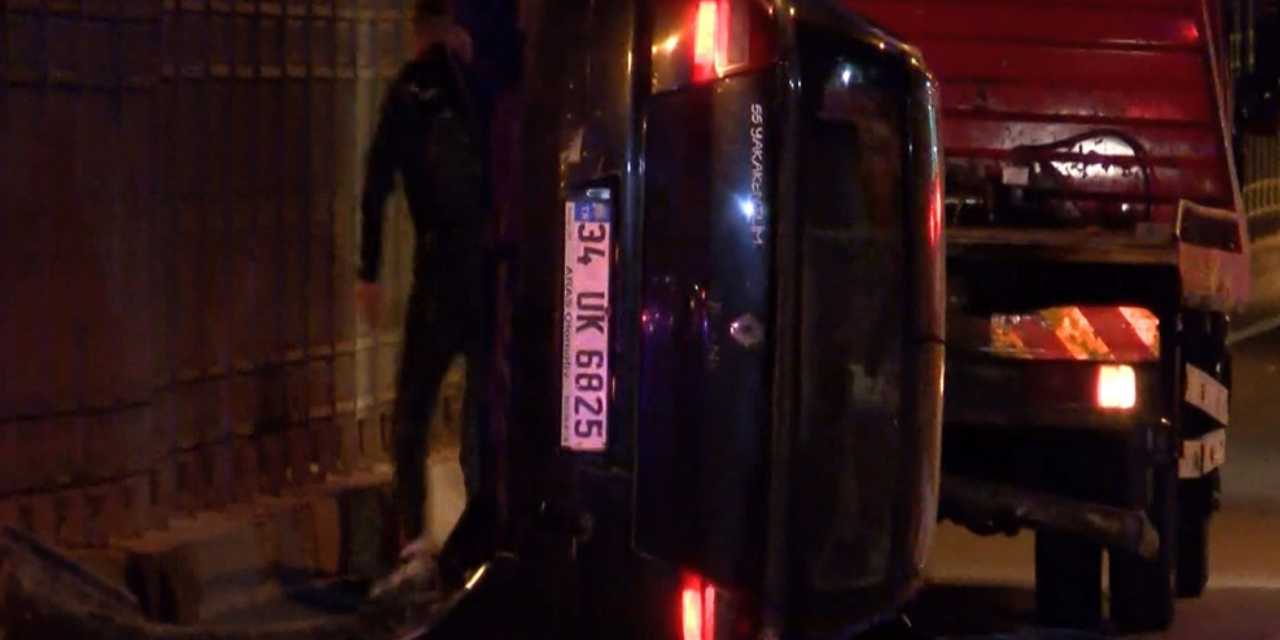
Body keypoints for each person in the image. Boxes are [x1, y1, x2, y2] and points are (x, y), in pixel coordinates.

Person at [356, 0, 492, 558]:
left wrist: (369, 271)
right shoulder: (483, 86)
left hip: (438, 274)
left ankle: (415, 542)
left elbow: (376, 182)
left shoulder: (409, 91)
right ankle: (484, 536)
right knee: (483, 416)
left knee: (413, 413)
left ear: (420, 30)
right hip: (488, 272)